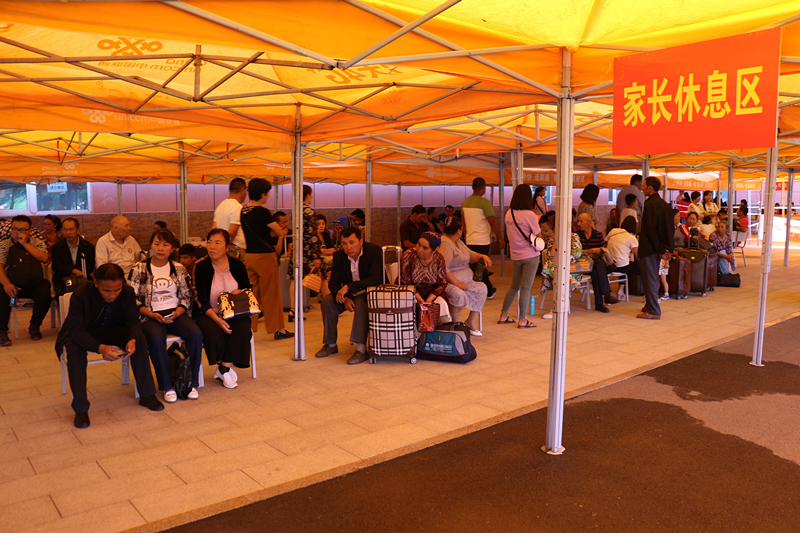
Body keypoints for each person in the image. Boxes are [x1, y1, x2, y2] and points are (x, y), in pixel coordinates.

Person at [55, 263, 164, 428]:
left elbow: (134, 322)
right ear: (96, 283)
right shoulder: (80, 294)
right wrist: (100, 347)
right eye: (107, 290)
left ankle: (147, 394)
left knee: (140, 339)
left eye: (117, 290)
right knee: (74, 349)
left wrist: (132, 338)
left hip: (113, 329)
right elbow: (75, 331)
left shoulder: (127, 292)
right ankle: (80, 409)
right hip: (84, 332)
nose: (112, 295)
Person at [128, 229, 203, 403]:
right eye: (157, 244)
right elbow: (131, 299)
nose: (160, 248)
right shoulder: (139, 268)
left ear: (172, 249)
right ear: (150, 246)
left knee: (196, 334)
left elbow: (187, 296)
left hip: (175, 312)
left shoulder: (178, 268)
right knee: (155, 339)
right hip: (149, 314)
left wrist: (178, 312)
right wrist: (151, 314)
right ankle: (167, 385)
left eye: (165, 245)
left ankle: (190, 382)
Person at [193, 229, 253, 389]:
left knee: (243, 327)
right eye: (209, 242)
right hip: (208, 312)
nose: (212, 246)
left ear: (227, 247)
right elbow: (199, 297)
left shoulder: (237, 264)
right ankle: (224, 369)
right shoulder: (201, 266)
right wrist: (217, 319)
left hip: (234, 311)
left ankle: (224, 368)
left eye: (217, 243)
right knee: (212, 330)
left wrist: (239, 292)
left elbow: (248, 288)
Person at [314, 226, 382, 365]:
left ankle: (361, 349)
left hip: (369, 292)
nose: (348, 247)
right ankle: (330, 344)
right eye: (344, 243)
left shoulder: (373, 251)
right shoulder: (339, 256)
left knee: (362, 303)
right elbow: (333, 283)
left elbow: (376, 278)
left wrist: (348, 287)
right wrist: (346, 298)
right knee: (328, 301)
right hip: (349, 295)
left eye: (352, 242)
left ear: (361, 241)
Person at [240, 178, 292, 340]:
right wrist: (279, 231)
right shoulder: (262, 212)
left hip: (250, 256)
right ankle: (278, 329)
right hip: (265, 257)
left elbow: (260, 232)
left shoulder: (243, 211)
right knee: (272, 294)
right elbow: (279, 231)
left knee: (252, 294)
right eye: (268, 193)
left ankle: (248, 328)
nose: (268, 196)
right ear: (262, 194)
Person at [0, 215, 51, 344]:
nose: (18, 233)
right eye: (15, 229)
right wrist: (7, 284)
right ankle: (2, 331)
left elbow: (44, 258)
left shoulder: (36, 242)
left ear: (29, 231)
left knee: (45, 292)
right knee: (1, 293)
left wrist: (24, 244)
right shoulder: (4, 244)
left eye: (22, 230)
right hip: (13, 283)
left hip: (33, 283)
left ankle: (34, 326)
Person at [498, 184, 541, 329]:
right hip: (530, 255)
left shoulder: (509, 213)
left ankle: (503, 315)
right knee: (525, 287)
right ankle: (523, 319)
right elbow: (538, 235)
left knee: (514, 286)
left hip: (515, 255)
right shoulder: (530, 215)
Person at [439, 217, 490, 335]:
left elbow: (470, 255)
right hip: (449, 283)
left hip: (466, 281)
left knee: (482, 288)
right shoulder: (446, 244)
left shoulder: (458, 241)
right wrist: (458, 283)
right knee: (458, 294)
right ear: (459, 230)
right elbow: (444, 268)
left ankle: (470, 321)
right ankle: (455, 324)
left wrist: (483, 256)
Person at [461, 178, 504, 300]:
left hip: (470, 240)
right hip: (482, 241)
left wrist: (466, 239)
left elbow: (464, 224)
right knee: (482, 267)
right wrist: (500, 238)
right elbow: (492, 222)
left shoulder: (465, 203)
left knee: (474, 267)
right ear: (483, 187)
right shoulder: (485, 203)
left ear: (472, 187)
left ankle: (478, 290)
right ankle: (488, 291)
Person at [638, 177, 674, 320]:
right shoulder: (664, 204)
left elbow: (651, 231)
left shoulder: (650, 204)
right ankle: (649, 305)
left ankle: (653, 310)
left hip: (649, 247)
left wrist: (660, 250)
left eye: (644, 186)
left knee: (650, 278)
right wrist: (666, 248)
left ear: (650, 188)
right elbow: (668, 228)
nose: (642, 188)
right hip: (658, 246)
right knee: (652, 277)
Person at [288, 185, 324, 322]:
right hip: (308, 252)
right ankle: (331, 307)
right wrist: (316, 256)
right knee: (323, 278)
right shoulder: (309, 213)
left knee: (295, 280)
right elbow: (313, 236)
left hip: (297, 250)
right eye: (311, 194)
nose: (312, 196)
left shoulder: (296, 211)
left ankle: (293, 310)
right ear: (307, 195)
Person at [399, 232, 451, 324]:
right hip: (411, 291)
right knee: (411, 306)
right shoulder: (408, 255)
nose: (419, 249)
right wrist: (422, 302)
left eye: (425, 248)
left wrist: (428, 301)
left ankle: (438, 330)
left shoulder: (439, 259)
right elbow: (406, 282)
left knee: (442, 305)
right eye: (418, 244)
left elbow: (442, 284)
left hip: (431, 292)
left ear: (433, 251)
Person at [576, 212, 618, 313]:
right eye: (578, 221)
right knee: (599, 265)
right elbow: (577, 253)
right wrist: (592, 251)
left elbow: (601, 251)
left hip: (595, 265)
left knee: (596, 271)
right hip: (582, 265)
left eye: (581, 221)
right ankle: (607, 295)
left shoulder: (598, 235)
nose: (578, 224)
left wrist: (588, 252)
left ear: (589, 223)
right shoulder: (576, 236)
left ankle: (599, 304)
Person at [51, 217, 95, 295]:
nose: (68, 233)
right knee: (62, 295)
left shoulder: (88, 246)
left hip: (83, 278)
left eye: (71, 229)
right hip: (62, 279)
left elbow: (90, 265)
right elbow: (57, 266)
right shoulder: (57, 247)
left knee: (89, 293)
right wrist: (72, 271)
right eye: (65, 229)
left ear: (78, 230)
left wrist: (79, 273)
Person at [212, 177, 248, 261]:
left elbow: (213, 229)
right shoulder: (237, 206)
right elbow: (232, 232)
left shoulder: (220, 206)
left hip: (222, 247)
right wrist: (226, 247)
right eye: (246, 190)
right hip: (234, 248)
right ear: (242, 190)